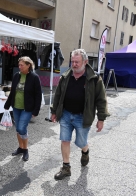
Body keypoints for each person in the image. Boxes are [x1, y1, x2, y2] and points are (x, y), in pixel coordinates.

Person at [50, 49, 109, 180]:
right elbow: (58, 95)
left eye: (77, 62)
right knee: (65, 139)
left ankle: (85, 151)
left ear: (85, 62)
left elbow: (101, 99)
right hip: (65, 114)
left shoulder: (94, 79)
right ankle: (66, 168)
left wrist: (101, 118)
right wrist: (54, 111)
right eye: (72, 61)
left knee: (80, 142)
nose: (74, 64)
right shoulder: (65, 76)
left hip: (82, 116)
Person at [4, 56, 42, 161]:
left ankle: (25, 149)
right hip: (16, 106)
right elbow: (13, 92)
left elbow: (38, 95)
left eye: (22, 65)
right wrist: (7, 104)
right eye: (19, 65)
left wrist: (36, 110)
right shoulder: (16, 76)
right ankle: (20, 148)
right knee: (17, 128)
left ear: (28, 65)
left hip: (27, 108)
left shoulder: (34, 77)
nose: (19, 67)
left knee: (21, 128)